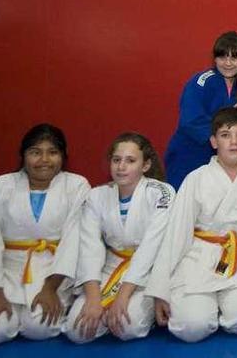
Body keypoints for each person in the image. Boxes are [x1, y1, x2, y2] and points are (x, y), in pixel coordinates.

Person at [145, 108, 237, 343]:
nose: (233, 142)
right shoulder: (196, 178)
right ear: (213, 141)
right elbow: (176, 235)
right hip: (198, 261)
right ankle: (208, 309)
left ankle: (227, 307)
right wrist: (160, 289)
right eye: (225, 135)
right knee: (191, 327)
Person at [0, 124, 90, 346]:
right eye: (35, 152)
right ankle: (6, 309)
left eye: (53, 152)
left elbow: (73, 240)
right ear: (23, 156)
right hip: (5, 272)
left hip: (53, 271)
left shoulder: (76, 185)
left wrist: (50, 289)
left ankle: (48, 307)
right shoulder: (0, 186)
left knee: (39, 327)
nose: (44, 160)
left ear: (63, 156)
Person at [64, 133, 174, 343]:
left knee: (126, 327)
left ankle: (135, 312)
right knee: (76, 331)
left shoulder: (161, 192)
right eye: (116, 160)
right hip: (111, 266)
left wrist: (122, 297)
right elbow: (90, 247)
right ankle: (104, 313)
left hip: (148, 272)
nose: (121, 167)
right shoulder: (97, 196)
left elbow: (151, 246)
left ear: (145, 165)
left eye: (130, 161)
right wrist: (94, 299)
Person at [164, 31, 237, 190]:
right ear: (214, 58)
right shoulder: (201, 82)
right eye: (222, 57)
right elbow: (190, 120)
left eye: (234, 57)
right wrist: (226, 121)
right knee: (184, 205)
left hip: (223, 159)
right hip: (190, 153)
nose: (228, 63)